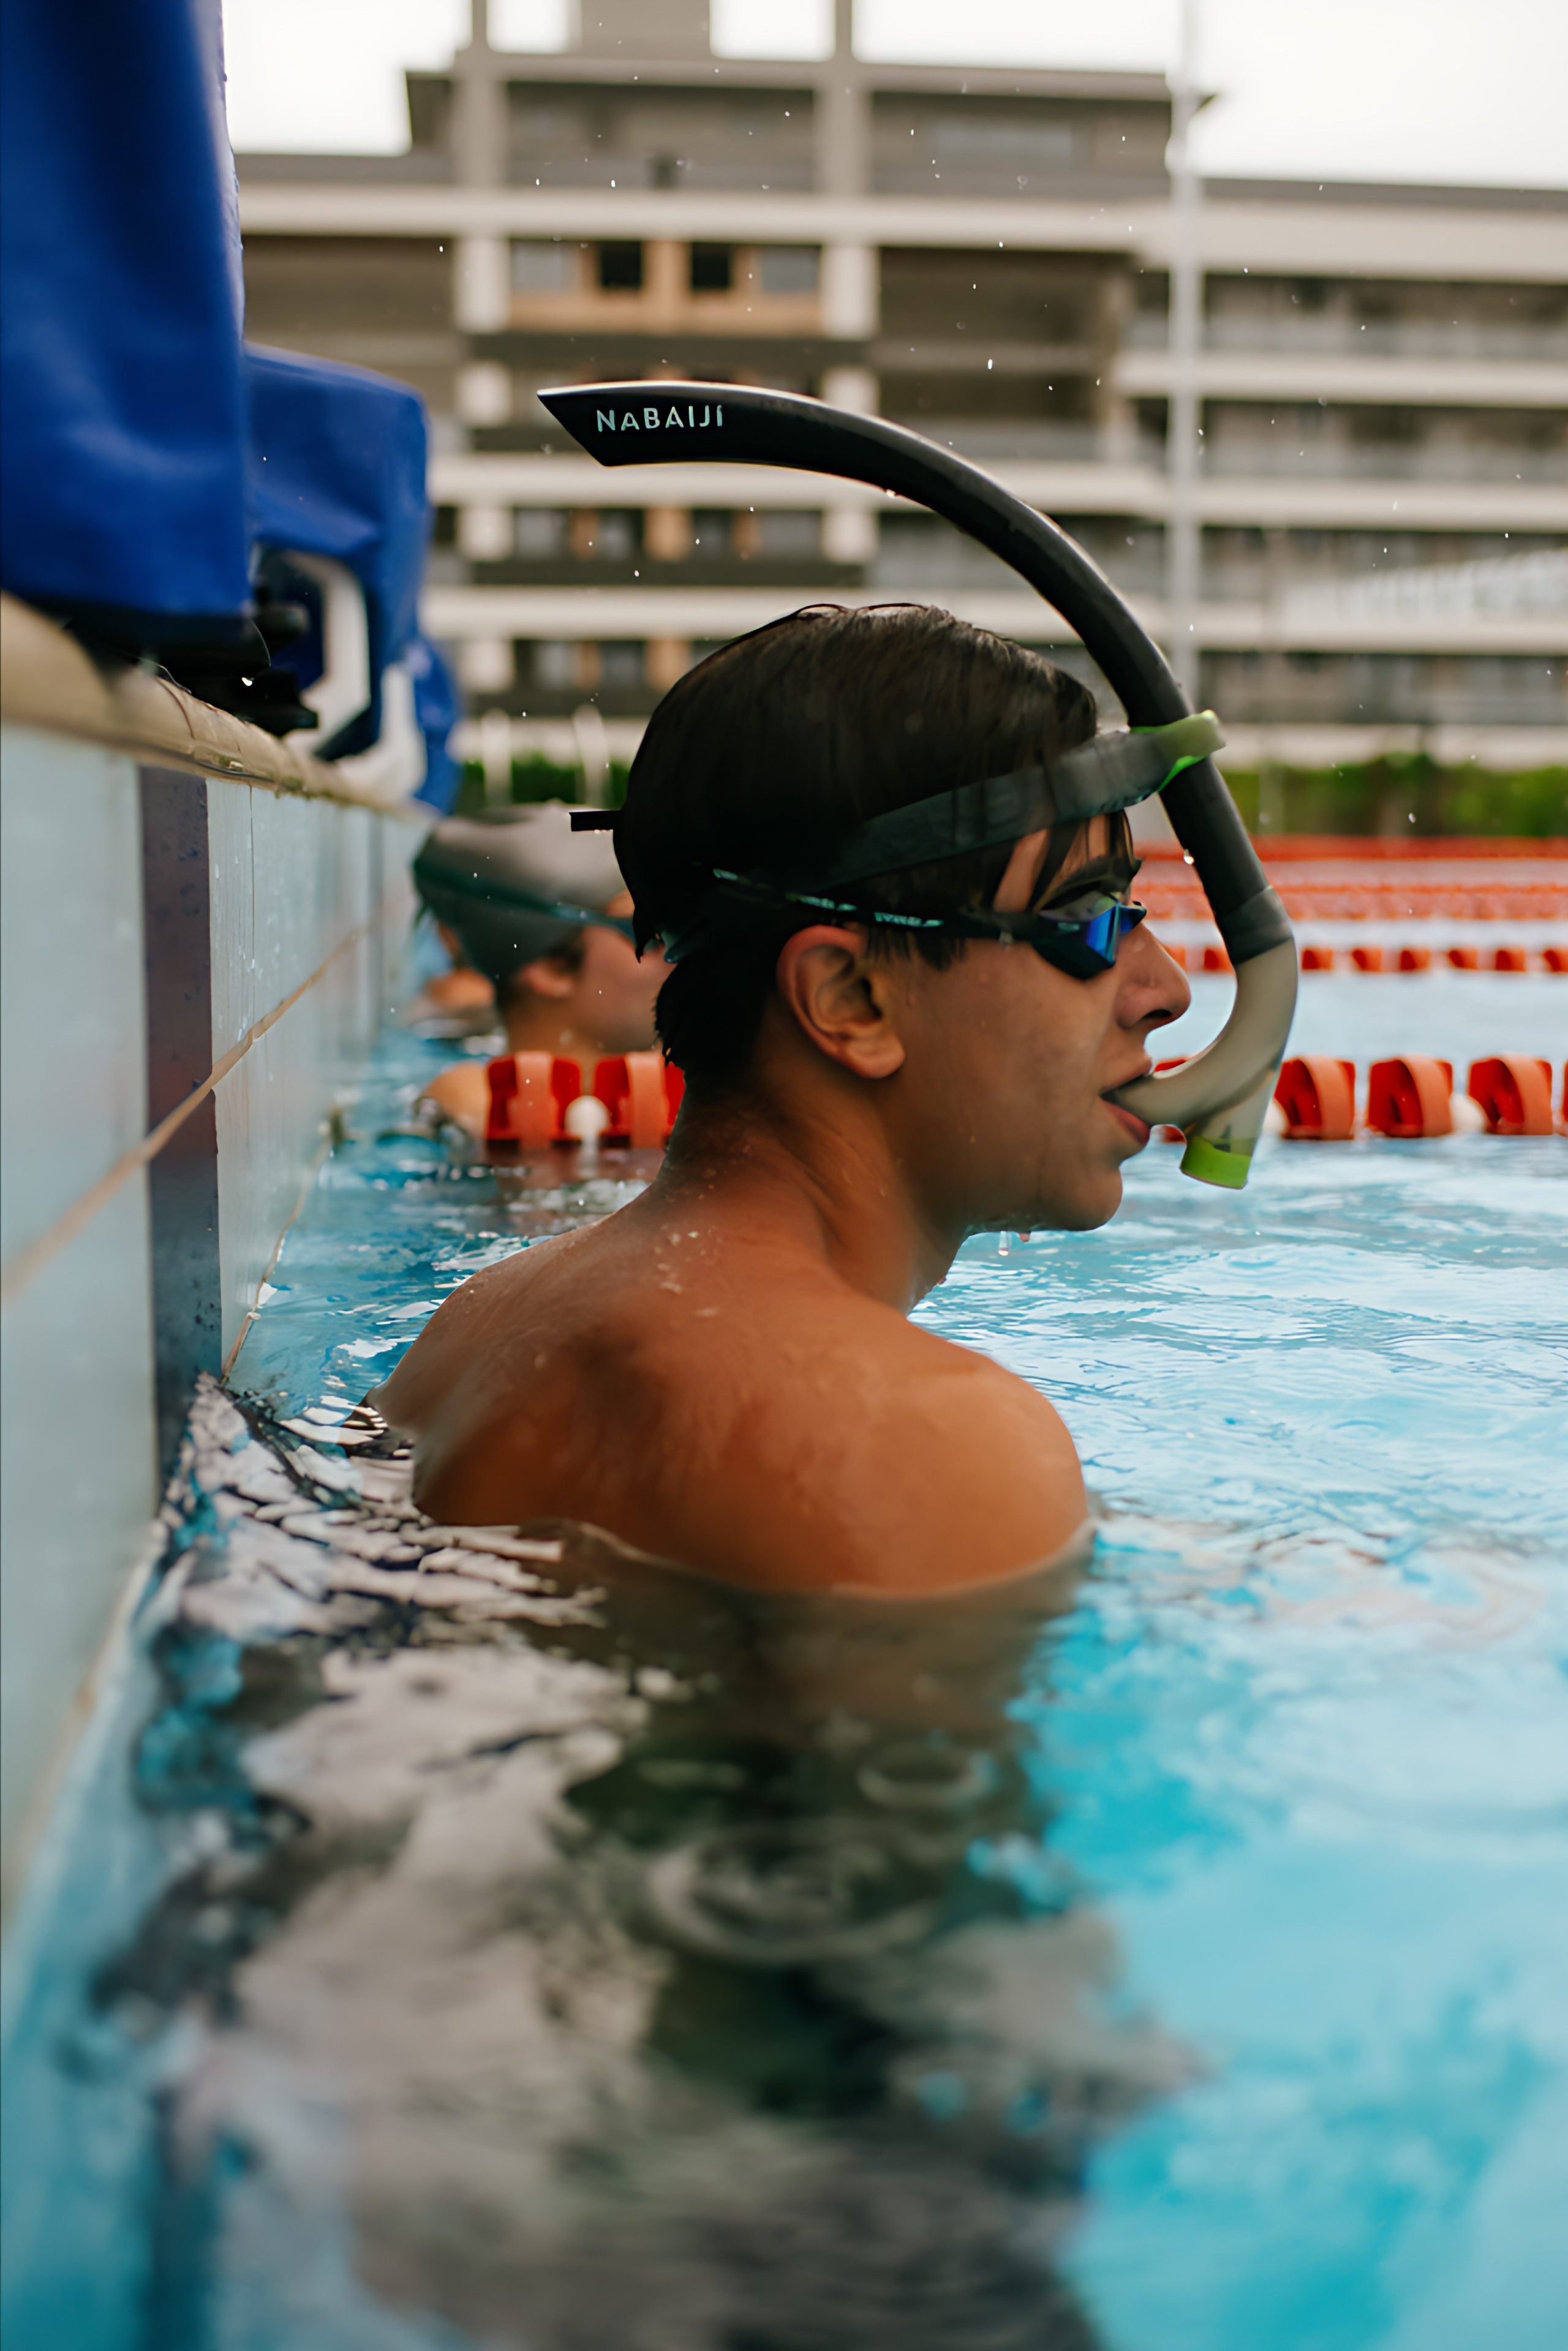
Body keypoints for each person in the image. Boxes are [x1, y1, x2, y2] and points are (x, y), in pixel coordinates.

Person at [375, 607, 1191, 1596]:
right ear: (851, 1000)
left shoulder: (477, 1329)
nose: (1165, 988)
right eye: (1088, 916)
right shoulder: (925, 1439)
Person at [410, 801, 665, 1136]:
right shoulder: (475, 1113)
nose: (681, 954)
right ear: (552, 969)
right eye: (651, 935)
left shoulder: (713, 1095)